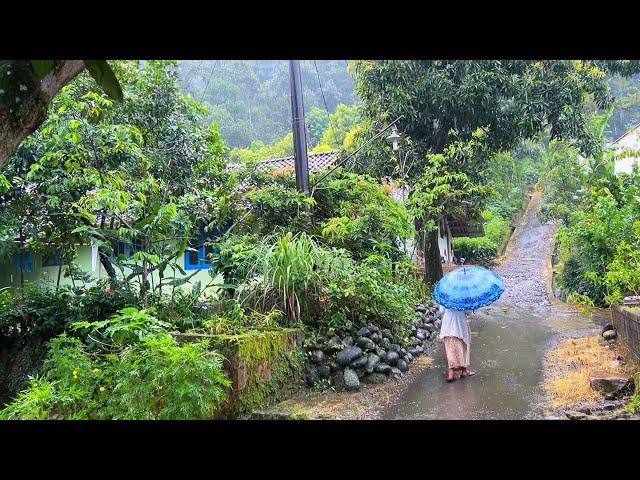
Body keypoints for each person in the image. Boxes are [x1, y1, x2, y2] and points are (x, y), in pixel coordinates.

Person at [438, 305, 476, 382]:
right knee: (462, 346)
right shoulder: (463, 296)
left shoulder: (446, 295)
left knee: (450, 349)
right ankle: (463, 370)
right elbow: (469, 313)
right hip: (460, 324)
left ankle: (451, 372)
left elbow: (441, 311)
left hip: (448, 324)